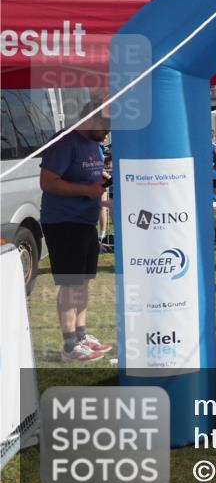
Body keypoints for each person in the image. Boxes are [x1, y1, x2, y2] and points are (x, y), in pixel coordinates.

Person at [39, 103, 115, 362]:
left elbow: (89, 183)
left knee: (82, 283)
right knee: (71, 284)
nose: (108, 133)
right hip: (63, 223)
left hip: (85, 222)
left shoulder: (93, 145)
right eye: (106, 126)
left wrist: (101, 199)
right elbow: (48, 183)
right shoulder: (64, 141)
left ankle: (81, 336)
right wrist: (86, 191)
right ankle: (70, 346)